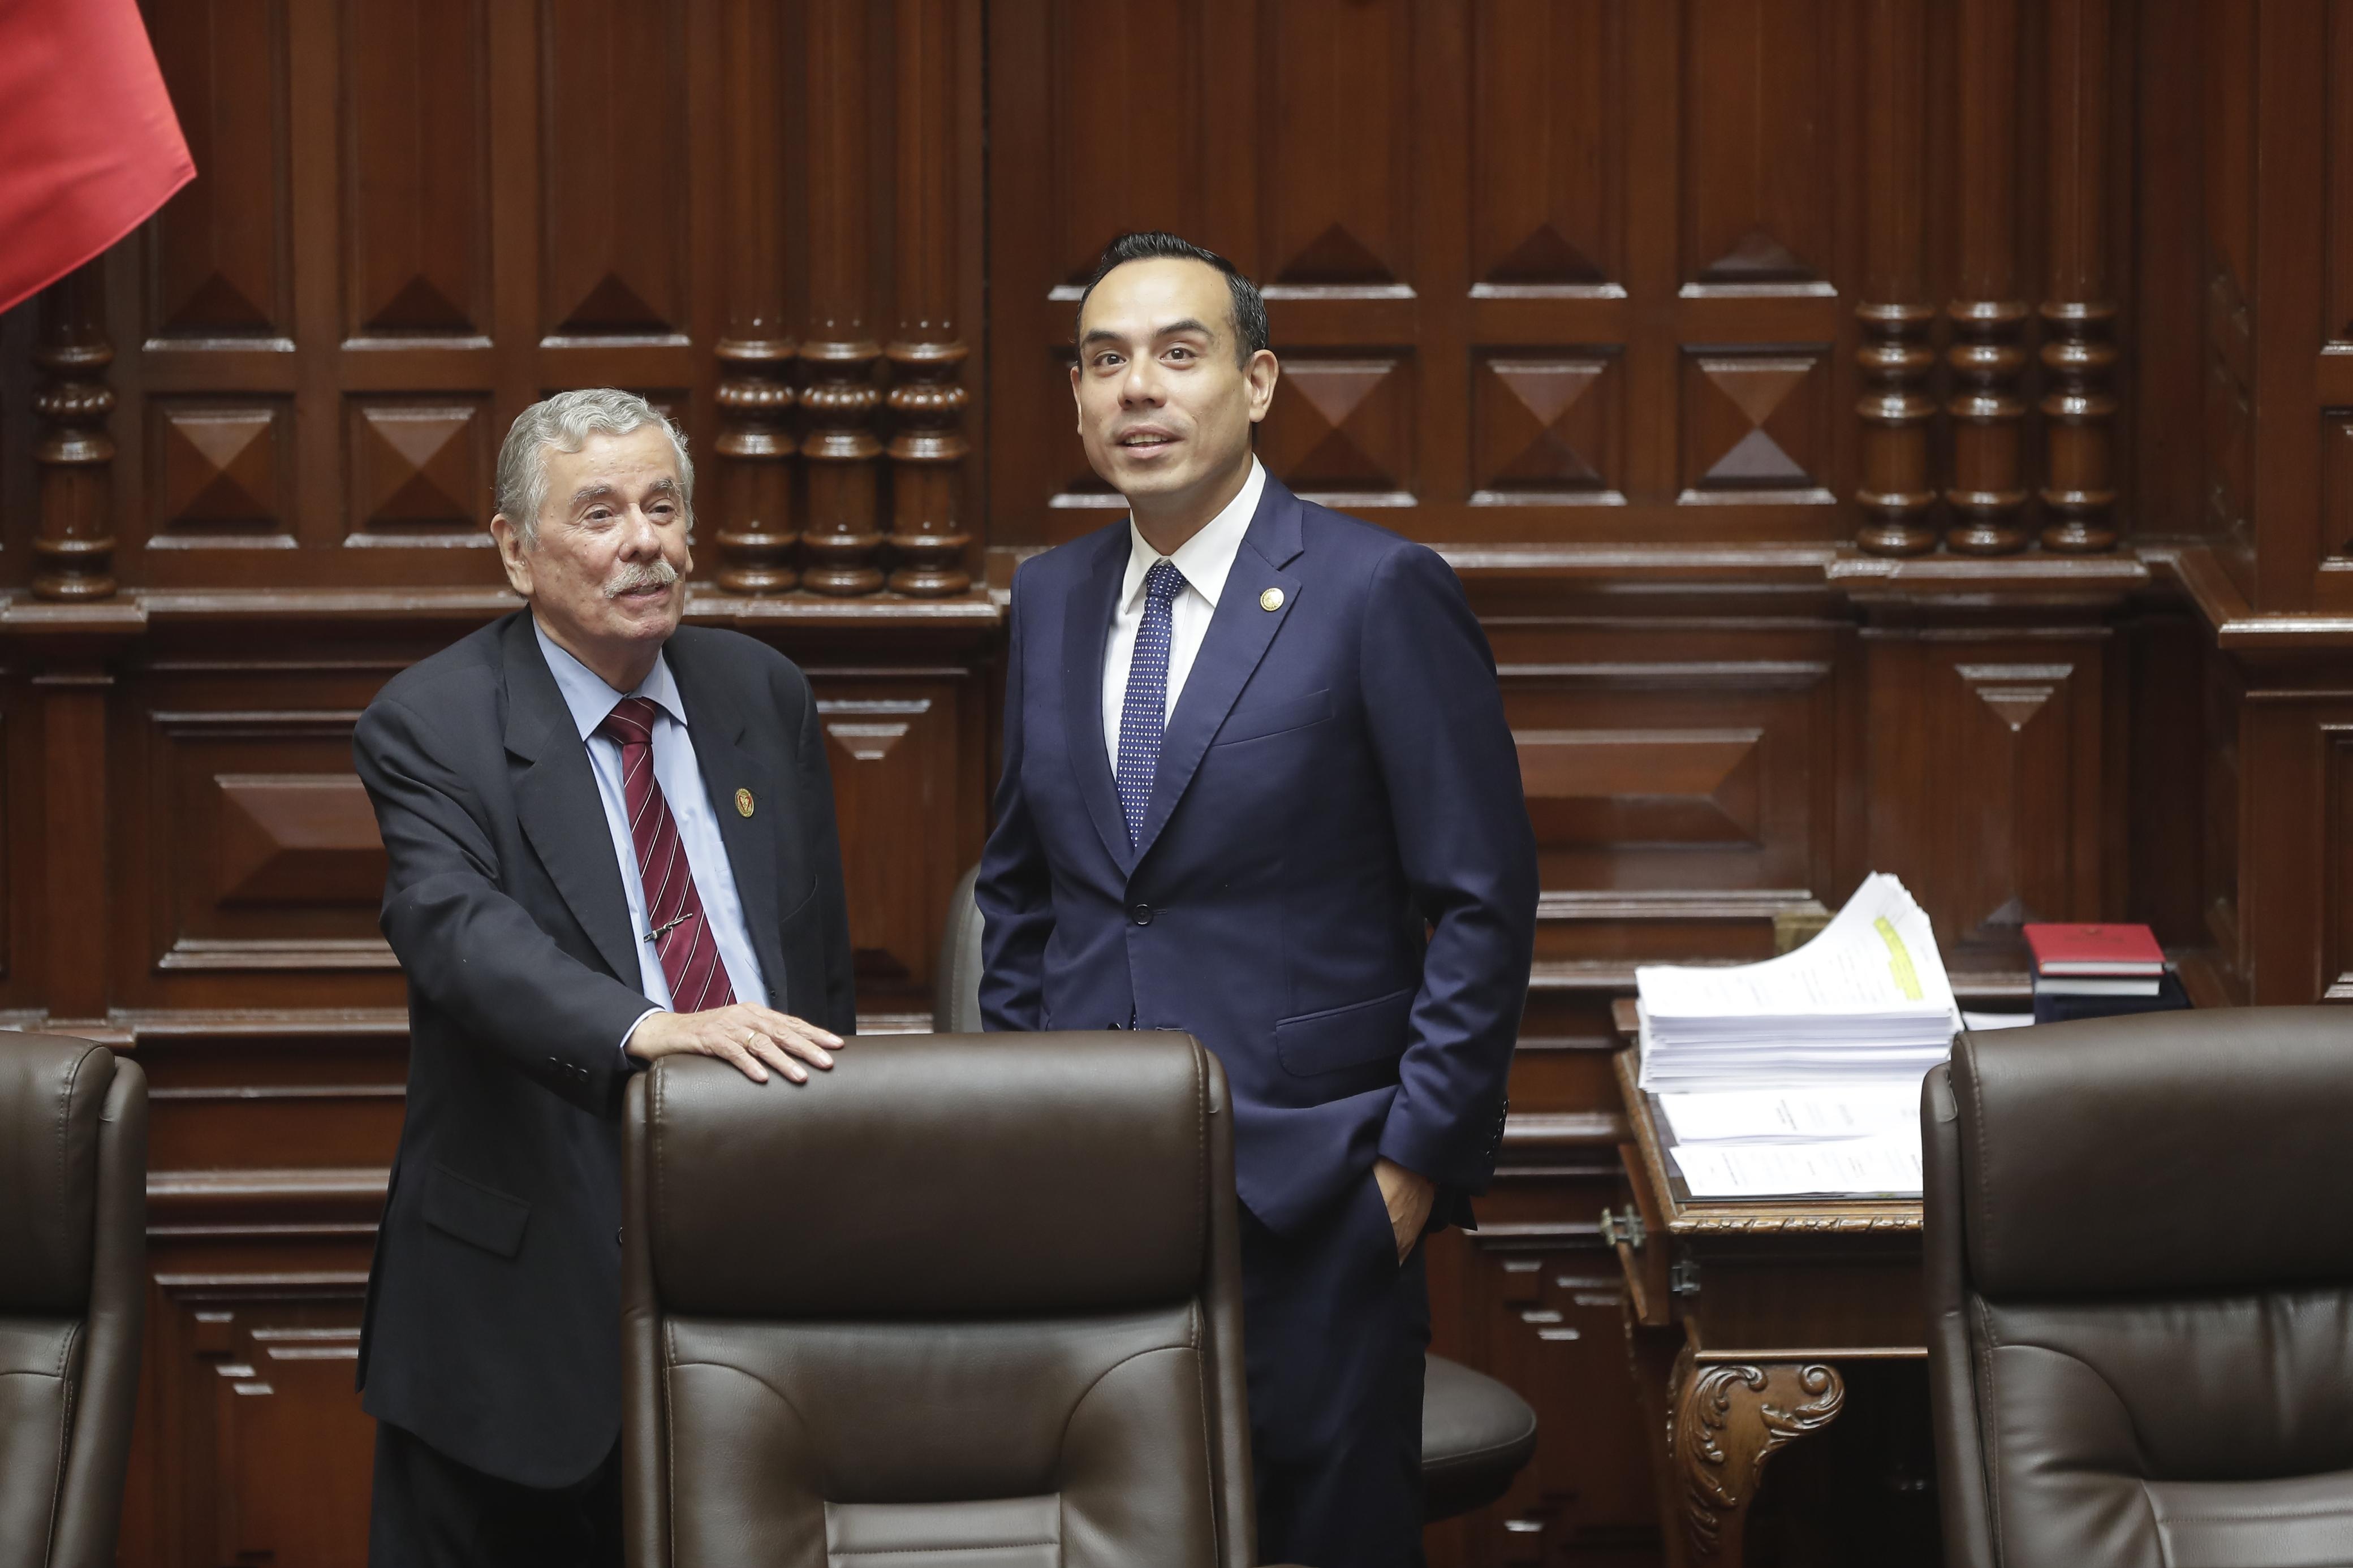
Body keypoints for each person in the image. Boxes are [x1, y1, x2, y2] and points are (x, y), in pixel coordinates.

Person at [976, 233, 1539, 1566]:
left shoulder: (1374, 590)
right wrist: (1013, 1111)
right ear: (1073, 399)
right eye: (1104, 362)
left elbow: (1482, 899)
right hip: (1089, 1200)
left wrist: (1410, 1167)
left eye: (1180, 354)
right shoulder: (1049, 597)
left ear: (1260, 380)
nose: (1138, 391)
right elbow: (1022, 892)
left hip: (1313, 1194)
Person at [352, 388, 856, 1566]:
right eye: (600, 513)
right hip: (523, 1307)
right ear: (516, 552)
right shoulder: (432, 723)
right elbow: (456, 934)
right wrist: (647, 1028)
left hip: (760, 1271)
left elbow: (818, 969)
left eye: (663, 507)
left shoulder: (760, 693)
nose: (645, 541)